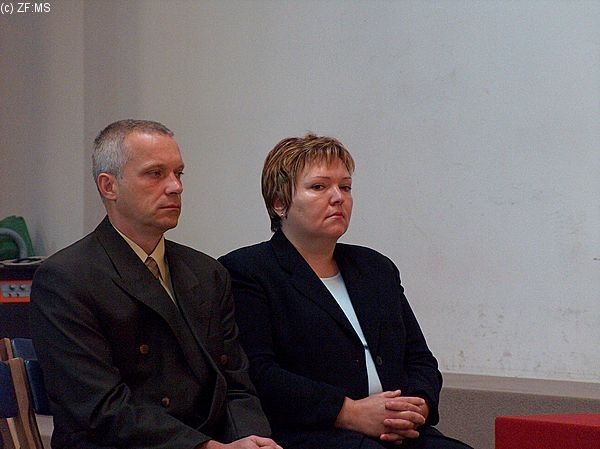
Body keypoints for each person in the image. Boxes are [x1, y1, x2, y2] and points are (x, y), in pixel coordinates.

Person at [30, 119, 282, 449]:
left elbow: (235, 383)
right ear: (109, 186)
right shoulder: (66, 278)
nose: (176, 186)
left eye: (179, 173)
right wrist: (205, 448)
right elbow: (101, 409)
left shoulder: (207, 272)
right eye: (155, 174)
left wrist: (253, 440)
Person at [219, 134, 473, 449]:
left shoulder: (376, 268)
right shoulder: (247, 270)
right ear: (279, 203)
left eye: (346, 187)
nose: (338, 197)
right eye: (319, 187)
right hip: (313, 432)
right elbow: (260, 374)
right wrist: (348, 412)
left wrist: (417, 405)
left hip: (396, 431)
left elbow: (419, 358)